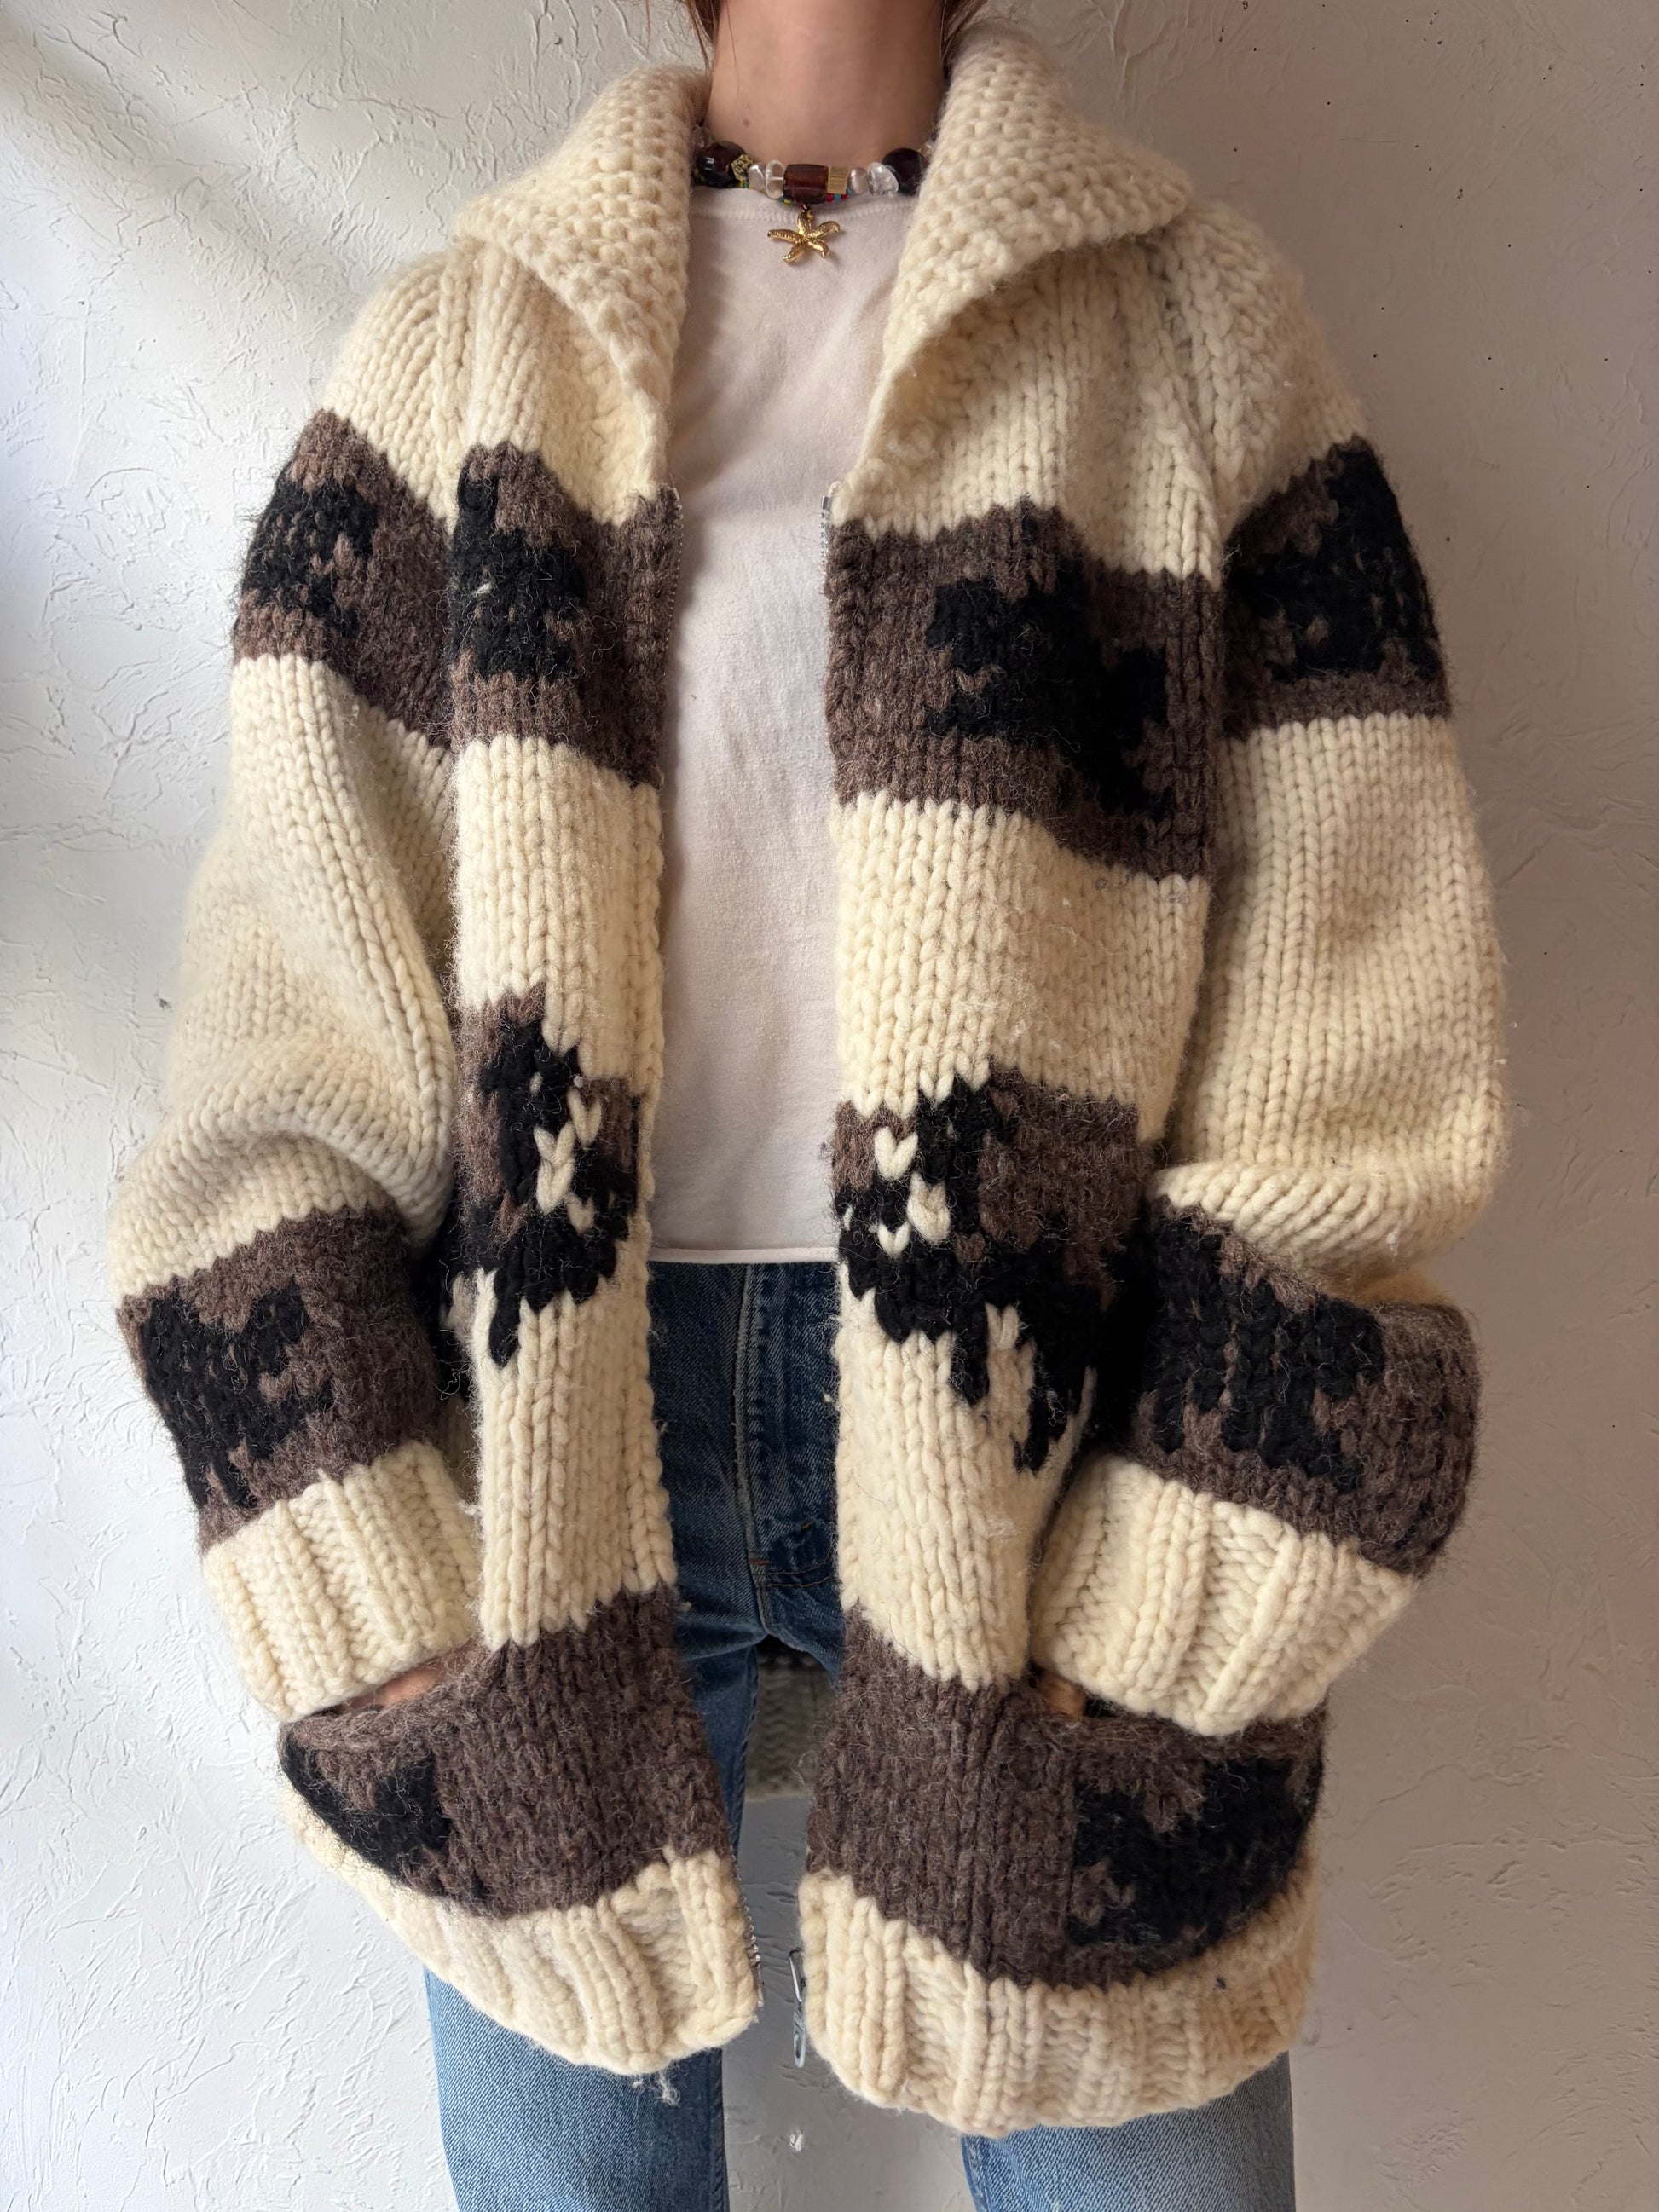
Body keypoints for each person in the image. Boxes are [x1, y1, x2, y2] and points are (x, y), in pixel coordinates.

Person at [107, 2, 1508, 2205]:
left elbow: (1352, 1042)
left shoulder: (1186, 333)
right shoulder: (461, 347)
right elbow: (294, 1041)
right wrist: (372, 1586)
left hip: (1041, 1426)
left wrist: (1186, 1606)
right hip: (557, 1432)